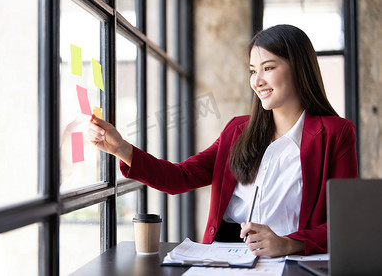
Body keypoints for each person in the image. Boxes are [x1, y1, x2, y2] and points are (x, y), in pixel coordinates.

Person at [88, 24, 358, 257]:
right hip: (225, 254)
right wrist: (122, 149)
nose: (257, 80)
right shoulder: (238, 130)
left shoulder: (335, 134)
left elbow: (345, 224)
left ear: (299, 69)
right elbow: (179, 177)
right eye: (253, 70)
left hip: (290, 258)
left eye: (268, 67)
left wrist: (288, 244)